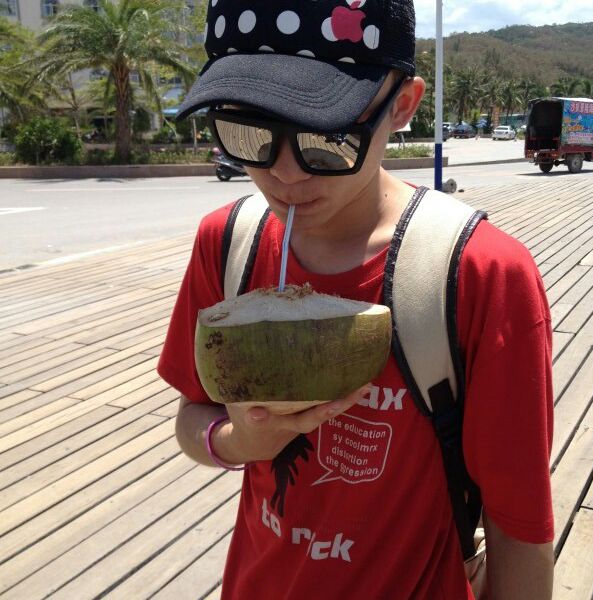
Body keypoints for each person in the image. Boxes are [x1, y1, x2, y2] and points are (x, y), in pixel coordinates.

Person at [157, 1, 554, 598]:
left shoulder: (481, 274)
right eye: (248, 132)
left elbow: (519, 528)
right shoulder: (227, 243)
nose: (286, 174)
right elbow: (192, 415)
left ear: (403, 106)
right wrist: (240, 443)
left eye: (328, 138)